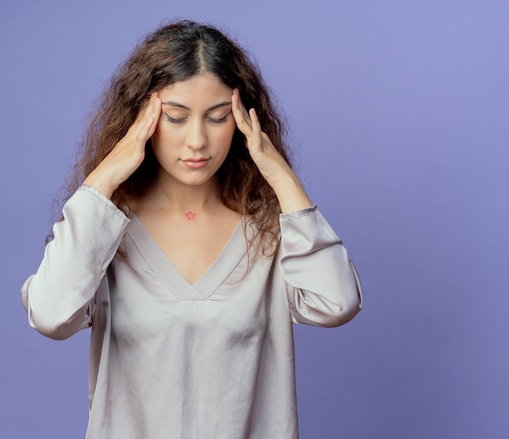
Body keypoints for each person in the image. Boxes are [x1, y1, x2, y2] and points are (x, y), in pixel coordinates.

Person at [21, 20, 362, 439]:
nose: (197, 141)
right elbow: (51, 316)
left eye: (218, 118)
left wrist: (281, 176)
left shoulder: (270, 232)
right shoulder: (107, 230)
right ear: (140, 119)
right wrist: (103, 178)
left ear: (241, 122)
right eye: (175, 117)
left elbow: (337, 303)